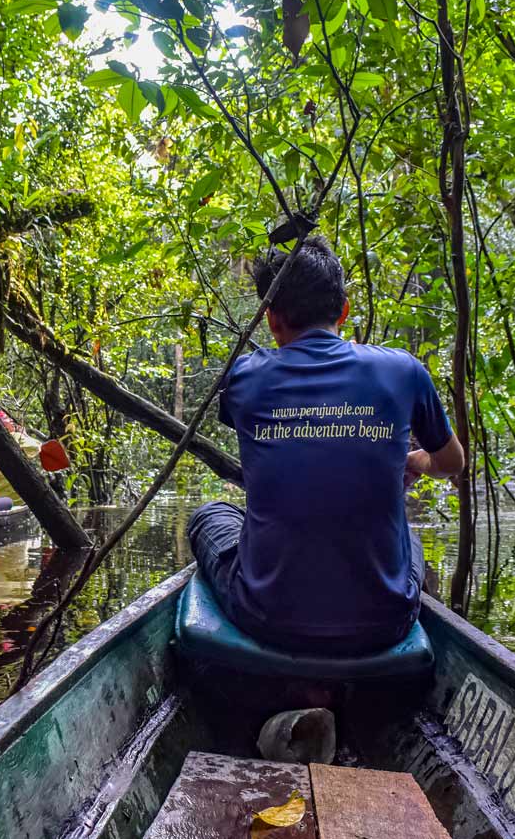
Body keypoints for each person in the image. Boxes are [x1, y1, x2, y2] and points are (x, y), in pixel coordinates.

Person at [190, 239, 465, 655]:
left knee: (210, 515)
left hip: (267, 618)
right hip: (383, 622)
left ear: (271, 319)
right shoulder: (403, 370)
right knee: (407, 535)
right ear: (344, 310)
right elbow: (452, 463)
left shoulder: (244, 377)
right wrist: (417, 461)